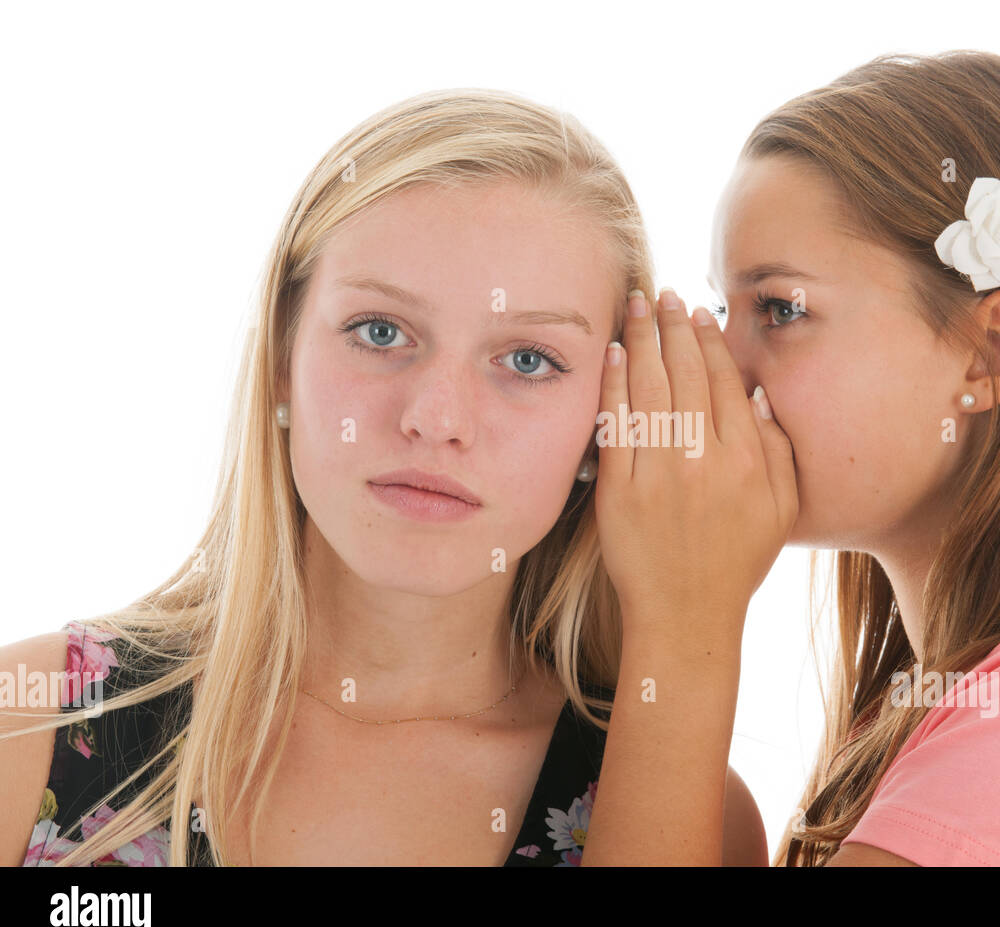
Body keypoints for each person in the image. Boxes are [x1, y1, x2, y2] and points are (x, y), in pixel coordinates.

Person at [0, 88, 767, 867]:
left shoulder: (681, 808)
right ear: (282, 362)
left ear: (609, 420)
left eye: (527, 360)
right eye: (380, 331)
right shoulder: (24, 731)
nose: (437, 418)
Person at [582, 51, 1000, 866]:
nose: (721, 364)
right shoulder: (934, 704)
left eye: (781, 308)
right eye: (723, 305)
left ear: (989, 354)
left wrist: (682, 622)